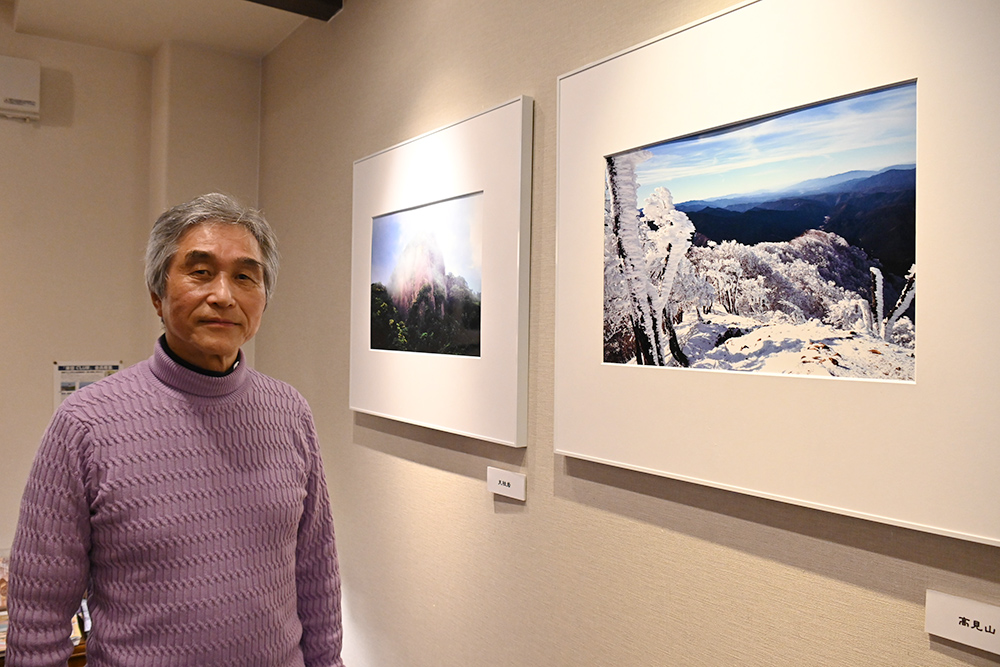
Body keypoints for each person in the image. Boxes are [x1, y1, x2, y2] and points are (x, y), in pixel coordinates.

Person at [7, 193, 344, 666]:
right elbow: (37, 618)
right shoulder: (85, 424)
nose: (224, 295)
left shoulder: (290, 413)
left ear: (264, 298)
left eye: (245, 276)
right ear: (156, 295)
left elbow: (317, 577)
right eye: (201, 272)